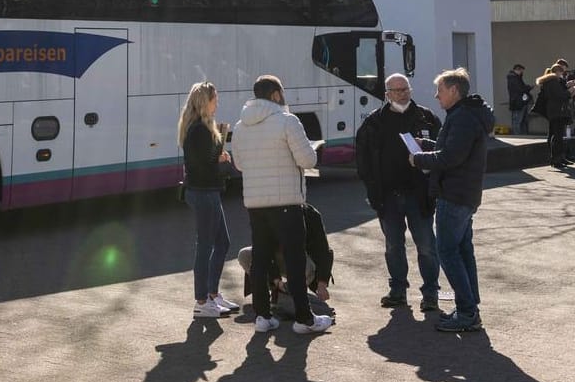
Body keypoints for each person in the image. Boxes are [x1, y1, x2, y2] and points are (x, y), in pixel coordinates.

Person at [232, 74, 332, 335]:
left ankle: (262, 317)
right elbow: (308, 160)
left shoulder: (241, 126)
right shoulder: (288, 121)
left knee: (261, 259)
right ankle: (304, 319)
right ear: (276, 94)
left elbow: (239, 164)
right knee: (295, 259)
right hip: (286, 201)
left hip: (255, 202)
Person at [409, 68, 492, 333]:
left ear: (454, 91)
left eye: (440, 90)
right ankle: (469, 307)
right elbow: (452, 149)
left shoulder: (463, 118)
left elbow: (451, 158)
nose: (436, 96)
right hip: (462, 193)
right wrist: (428, 145)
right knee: (463, 250)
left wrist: (419, 158)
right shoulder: (464, 115)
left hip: (455, 195)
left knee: (447, 251)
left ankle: (467, 312)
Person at [356, 73, 442, 311]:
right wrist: (373, 191)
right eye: (397, 90)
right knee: (393, 246)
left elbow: (443, 154)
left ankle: (431, 293)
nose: (402, 94)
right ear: (387, 94)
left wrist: (434, 186)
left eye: (405, 89)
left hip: (420, 194)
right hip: (388, 197)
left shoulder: (427, 118)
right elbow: (362, 161)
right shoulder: (374, 123)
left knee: (426, 246)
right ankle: (397, 291)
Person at [179, 81, 238, 318]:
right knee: (206, 246)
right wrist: (223, 162)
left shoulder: (198, 127)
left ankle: (212, 294)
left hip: (206, 191)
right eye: (216, 98)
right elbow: (205, 167)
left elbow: (204, 163)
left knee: (222, 243)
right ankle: (201, 301)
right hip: (204, 192)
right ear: (206, 102)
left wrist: (219, 158)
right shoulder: (200, 130)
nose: (218, 102)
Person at [533, 64, 571, 169]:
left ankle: (558, 158)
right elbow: (560, 95)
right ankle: (556, 159)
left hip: (554, 111)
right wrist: (570, 92)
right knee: (557, 136)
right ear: (558, 72)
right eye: (562, 72)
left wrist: (566, 87)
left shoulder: (550, 81)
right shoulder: (553, 82)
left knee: (556, 135)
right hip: (556, 112)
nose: (563, 74)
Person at [506, 64, 532, 138]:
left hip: (520, 102)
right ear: (518, 70)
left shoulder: (516, 78)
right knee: (518, 121)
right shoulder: (513, 78)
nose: (522, 73)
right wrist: (528, 88)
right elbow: (520, 89)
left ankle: (522, 136)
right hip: (518, 103)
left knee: (522, 121)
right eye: (521, 71)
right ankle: (518, 136)